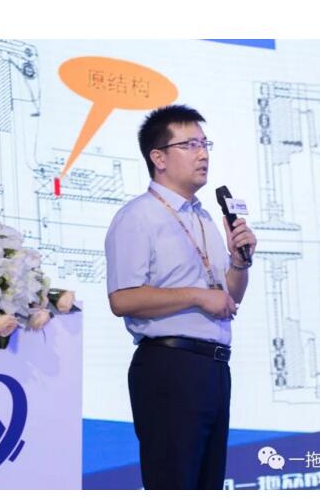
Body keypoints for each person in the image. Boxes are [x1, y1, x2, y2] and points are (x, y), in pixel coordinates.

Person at [104, 105, 257, 489]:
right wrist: (197, 297)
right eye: (190, 145)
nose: (203, 154)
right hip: (169, 366)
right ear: (158, 158)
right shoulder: (138, 216)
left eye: (205, 144)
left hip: (213, 368)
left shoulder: (203, 217)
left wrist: (240, 262)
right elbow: (122, 299)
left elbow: (229, 298)